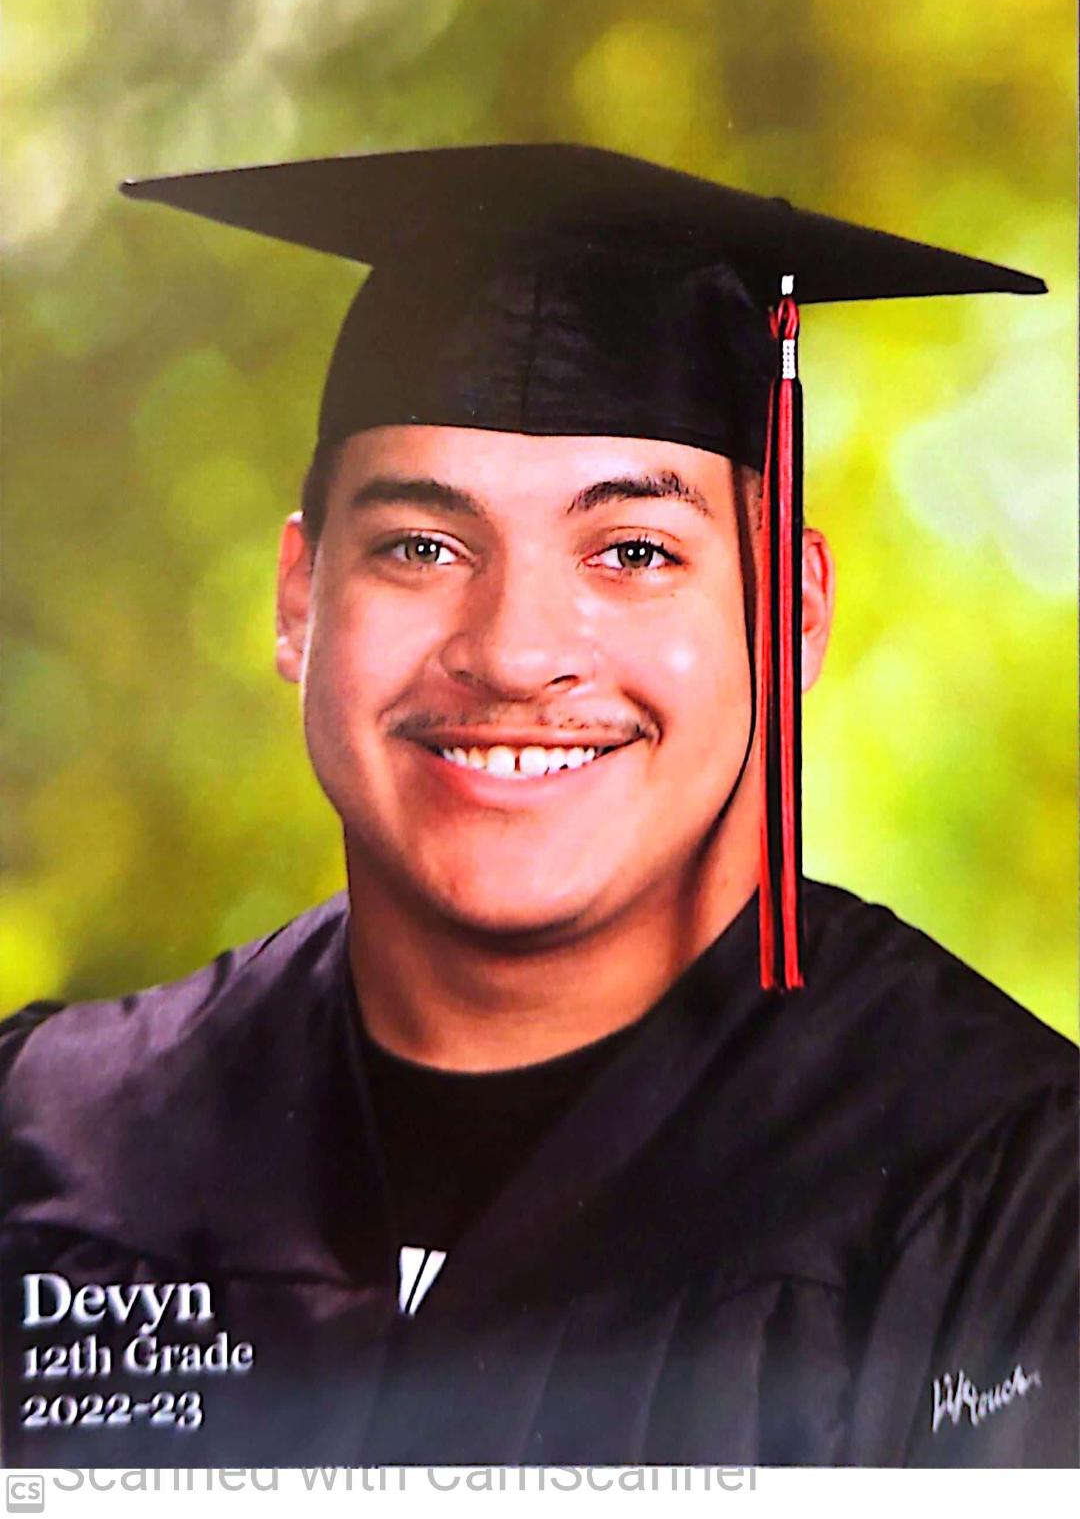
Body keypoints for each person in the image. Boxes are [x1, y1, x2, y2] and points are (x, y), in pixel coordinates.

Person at [1, 145, 1075, 1468]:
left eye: (632, 551)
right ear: (298, 599)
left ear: (789, 612)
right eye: (421, 546)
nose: (513, 651)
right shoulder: (52, 1137)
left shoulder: (1005, 1189)